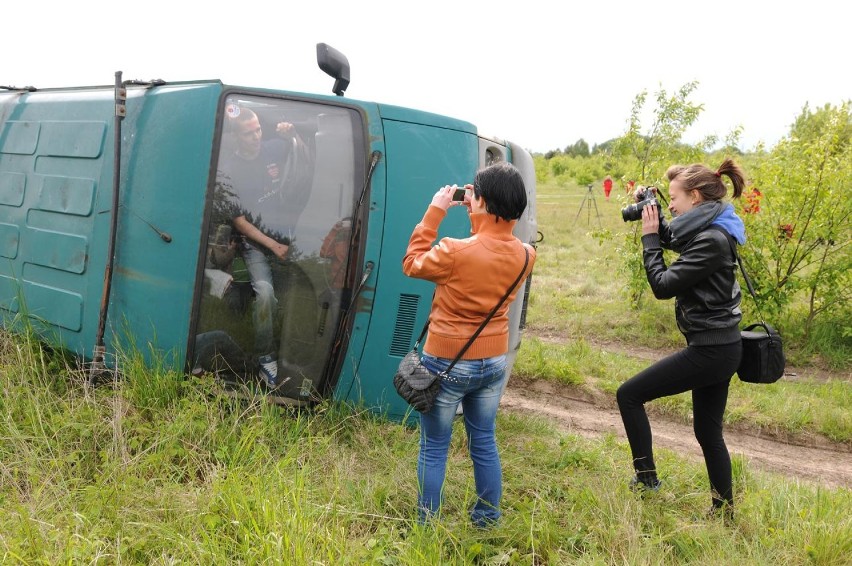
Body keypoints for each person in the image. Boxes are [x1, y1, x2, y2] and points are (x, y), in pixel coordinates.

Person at [402, 161, 536, 527]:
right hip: (493, 362)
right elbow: (491, 247)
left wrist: (435, 211)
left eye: (475, 194)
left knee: (434, 448)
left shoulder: (454, 251)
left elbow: (412, 263)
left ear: (485, 202)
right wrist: (480, 212)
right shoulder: (527, 254)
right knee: (484, 441)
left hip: (446, 361)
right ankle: (487, 519)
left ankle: (426, 525)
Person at [616, 158, 746, 519]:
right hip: (720, 346)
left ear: (695, 195)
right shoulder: (711, 227)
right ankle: (723, 511)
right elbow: (676, 236)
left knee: (629, 395)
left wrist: (649, 240)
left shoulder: (712, 241)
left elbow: (662, 286)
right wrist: (653, 210)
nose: (671, 205)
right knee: (708, 433)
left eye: (673, 198)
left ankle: (646, 481)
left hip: (712, 351)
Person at [217, 105, 312, 388]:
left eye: (258, 129)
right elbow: (239, 220)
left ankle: (301, 346)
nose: (256, 137)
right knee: (266, 293)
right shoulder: (231, 170)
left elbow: (303, 158)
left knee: (303, 291)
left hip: (285, 233)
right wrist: (273, 245)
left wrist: (295, 135)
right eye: (248, 133)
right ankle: (264, 356)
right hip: (256, 242)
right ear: (237, 137)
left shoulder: (273, 148)